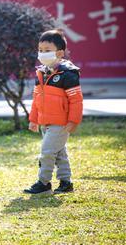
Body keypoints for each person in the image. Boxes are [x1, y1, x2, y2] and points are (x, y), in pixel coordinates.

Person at [25, 29, 83, 195]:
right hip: (46, 122)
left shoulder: (68, 74)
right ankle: (66, 182)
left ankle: (43, 183)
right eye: (40, 50)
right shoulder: (41, 73)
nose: (42, 54)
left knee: (47, 153)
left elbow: (76, 100)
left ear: (59, 52)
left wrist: (73, 121)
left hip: (61, 123)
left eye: (47, 50)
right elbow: (37, 98)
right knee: (59, 153)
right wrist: (34, 119)